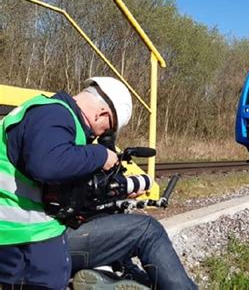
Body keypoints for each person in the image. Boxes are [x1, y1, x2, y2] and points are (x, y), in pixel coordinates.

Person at [0, 77, 196, 289]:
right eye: (107, 129)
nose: (100, 135)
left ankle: (106, 275)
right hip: (24, 241)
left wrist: (116, 191)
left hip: (24, 235)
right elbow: (47, 164)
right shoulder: (53, 114)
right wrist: (101, 154)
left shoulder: (48, 115)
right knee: (148, 230)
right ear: (102, 114)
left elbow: (59, 187)